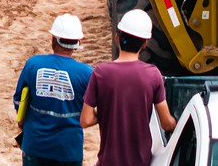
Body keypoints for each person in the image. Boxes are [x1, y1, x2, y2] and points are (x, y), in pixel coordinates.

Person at [80, 9, 173, 166]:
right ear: (145, 44)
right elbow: (166, 123)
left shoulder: (101, 72)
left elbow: (85, 120)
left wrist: (107, 112)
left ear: (117, 38)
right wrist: (176, 124)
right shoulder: (153, 75)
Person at [13, 15, 95, 166]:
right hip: (68, 150)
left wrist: (23, 123)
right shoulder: (87, 73)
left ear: (53, 38)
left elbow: (18, 100)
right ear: (78, 42)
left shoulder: (33, 64)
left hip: (35, 145)